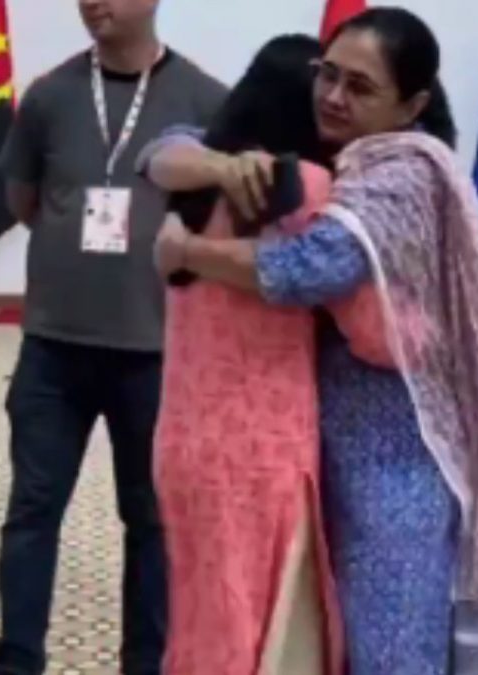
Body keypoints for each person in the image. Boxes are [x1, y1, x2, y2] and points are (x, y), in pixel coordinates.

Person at [144, 8, 478, 674]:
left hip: (395, 468)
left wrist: (188, 250)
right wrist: (220, 166)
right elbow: (164, 148)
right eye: (328, 76)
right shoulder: (316, 176)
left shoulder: (403, 175)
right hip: (314, 454)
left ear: (412, 104)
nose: (334, 97)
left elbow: (312, 270)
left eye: (360, 87)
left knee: (380, 649)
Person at [0, 0, 227, 672]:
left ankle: (146, 662)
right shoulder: (48, 96)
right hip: (53, 347)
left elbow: (219, 220)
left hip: (155, 353)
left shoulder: (207, 101)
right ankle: (16, 660)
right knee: (32, 512)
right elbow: (25, 201)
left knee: (151, 524)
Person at [153, 34, 346, 675]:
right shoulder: (313, 188)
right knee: (259, 623)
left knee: (202, 613)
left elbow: (157, 157)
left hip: (185, 436)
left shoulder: (191, 188)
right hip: (266, 443)